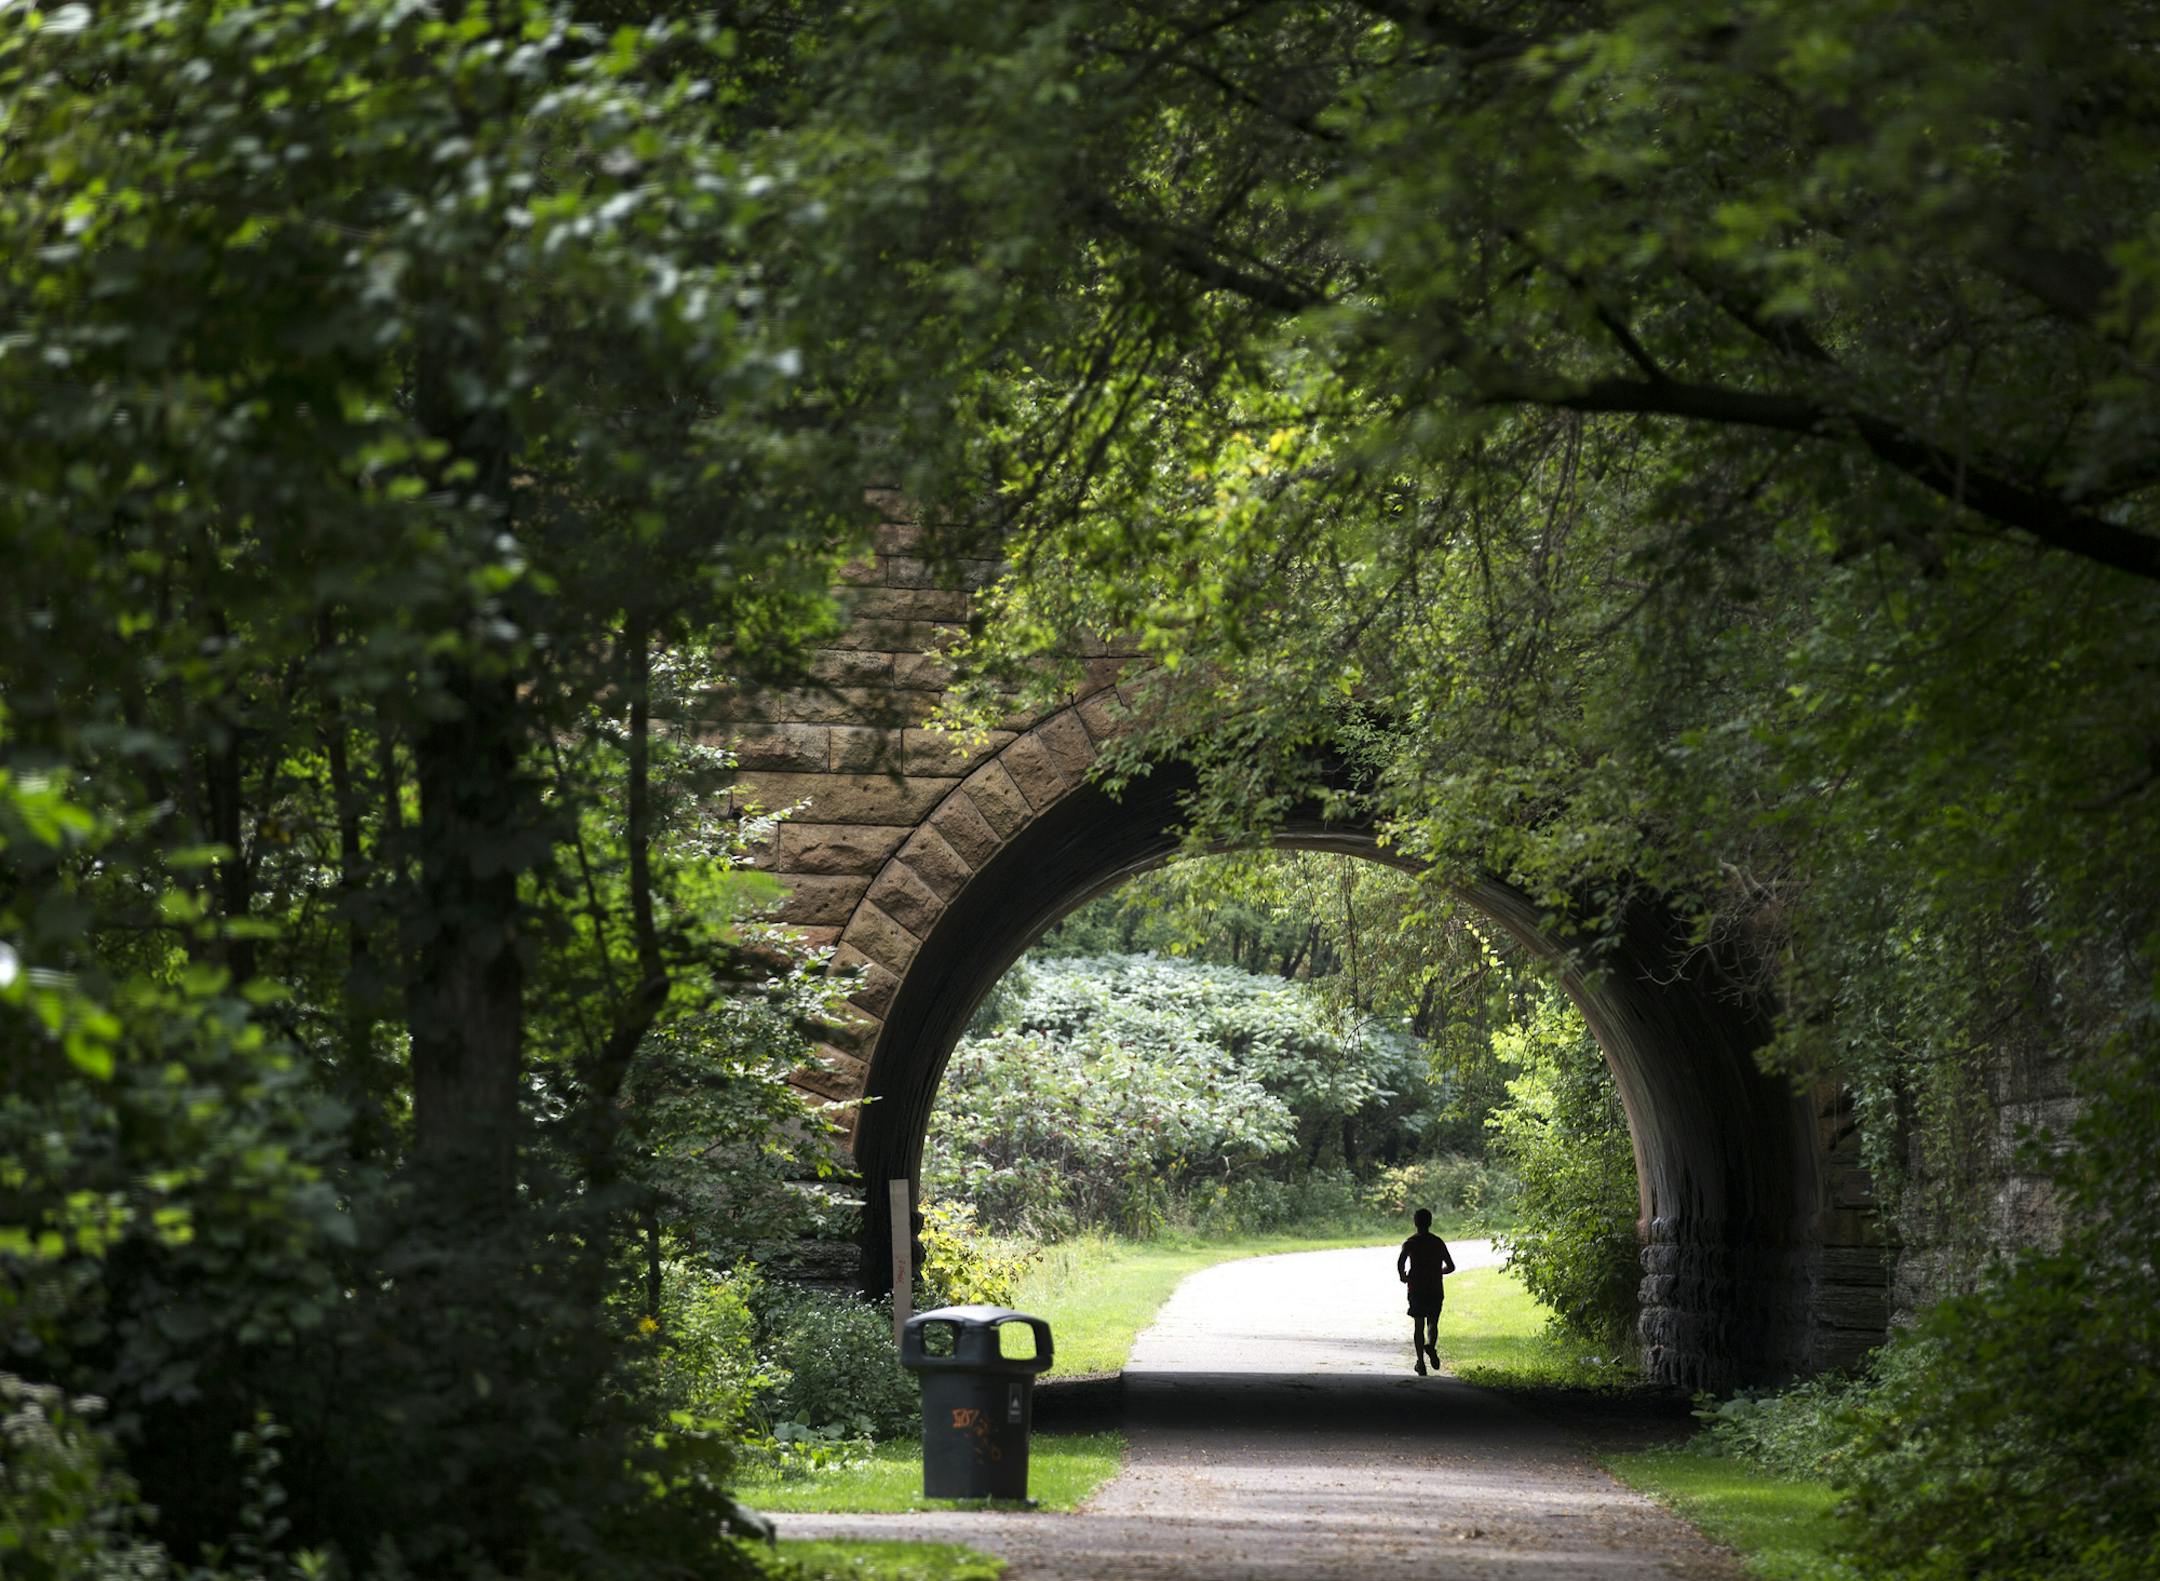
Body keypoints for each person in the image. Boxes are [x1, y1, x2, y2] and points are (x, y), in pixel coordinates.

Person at [1396, 1208, 1456, 1376]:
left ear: (1415, 1223)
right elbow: (1451, 1266)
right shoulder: (1437, 1242)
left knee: (1418, 1324)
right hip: (1435, 1288)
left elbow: (1400, 1262)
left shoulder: (1411, 1242)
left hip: (1416, 1288)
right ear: (1430, 1222)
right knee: (1433, 1323)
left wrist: (1403, 1276)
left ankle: (1421, 1363)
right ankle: (1430, 1346)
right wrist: (1439, 1272)